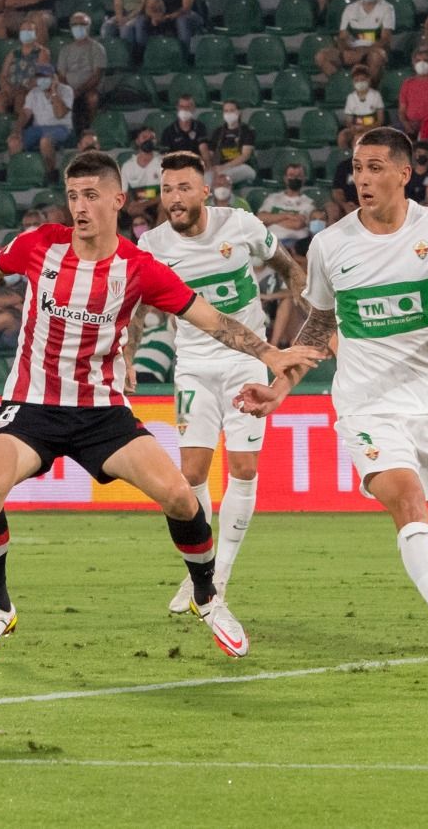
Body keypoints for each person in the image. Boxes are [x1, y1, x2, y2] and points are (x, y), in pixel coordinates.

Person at [0, 151, 318, 663]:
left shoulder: (138, 267)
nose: (79, 207)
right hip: (31, 403)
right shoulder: (41, 245)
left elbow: (211, 319)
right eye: (72, 196)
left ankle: (207, 596)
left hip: (102, 410)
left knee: (179, 494)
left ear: (117, 200)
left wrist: (270, 353)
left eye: (90, 196)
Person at [236, 127, 428, 675]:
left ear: (405, 173)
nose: (363, 179)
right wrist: (279, 388)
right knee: (407, 503)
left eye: (376, 167)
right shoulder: (333, 245)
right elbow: (320, 325)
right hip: (367, 406)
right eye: (357, 168)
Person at [132, 152, 308, 612]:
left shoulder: (242, 225)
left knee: (244, 469)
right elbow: (133, 306)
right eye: (167, 189)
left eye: (184, 188)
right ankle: (200, 574)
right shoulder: (151, 245)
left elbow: (288, 267)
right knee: (190, 475)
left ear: (205, 190)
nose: (174, 197)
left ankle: (220, 576)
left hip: (245, 359)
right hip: (192, 364)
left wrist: (309, 322)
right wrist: (127, 355)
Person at [317, 0, 393, 81]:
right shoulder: (350, 9)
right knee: (322, 56)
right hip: (352, 49)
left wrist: (362, 53)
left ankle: (368, 90)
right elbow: (342, 37)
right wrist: (346, 51)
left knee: (376, 56)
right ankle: (342, 84)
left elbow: (385, 39)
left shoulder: (387, 8)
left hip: (373, 50)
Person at [9, 64, 71, 178]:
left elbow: (60, 114)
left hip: (60, 128)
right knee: (14, 141)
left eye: (45, 76)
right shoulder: (33, 93)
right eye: (39, 76)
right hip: (37, 129)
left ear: (53, 78)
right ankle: (19, 175)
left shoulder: (66, 90)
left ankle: (49, 176)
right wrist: (17, 130)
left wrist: (53, 92)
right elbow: (25, 114)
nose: (42, 80)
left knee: (45, 140)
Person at [0, 17, 49, 117]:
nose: (25, 33)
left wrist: (26, 88)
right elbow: (2, 75)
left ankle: (18, 128)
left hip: (28, 90)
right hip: (11, 89)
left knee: (20, 97)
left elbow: (42, 76)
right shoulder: (13, 53)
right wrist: (7, 88)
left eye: (29, 30)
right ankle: (4, 125)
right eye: (23, 30)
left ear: (36, 33)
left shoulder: (42, 52)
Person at [57, 12, 104, 127]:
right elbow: (61, 76)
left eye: (82, 24)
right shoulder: (65, 50)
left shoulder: (98, 48)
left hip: (89, 89)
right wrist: (69, 91)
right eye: (75, 24)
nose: (78, 27)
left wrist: (79, 91)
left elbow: (97, 76)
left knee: (92, 98)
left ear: (89, 26)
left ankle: (90, 129)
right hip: (68, 89)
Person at [258, 162, 316, 241]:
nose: (295, 178)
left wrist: (271, 220)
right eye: (291, 175)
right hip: (271, 242)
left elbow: (297, 224)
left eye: (298, 176)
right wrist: (287, 216)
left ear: (304, 179)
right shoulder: (273, 198)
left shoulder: (309, 202)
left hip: (296, 244)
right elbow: (260, 218)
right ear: (285, 178)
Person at [207, 100, 256, 186]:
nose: (229, 113)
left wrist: (224, 167)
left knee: (222, 177)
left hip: (244, 167)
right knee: (205, 177)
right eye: (226, 111)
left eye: (232, 110)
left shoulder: (247, 131)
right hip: (222, 167)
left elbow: (245, 156)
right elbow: (210, 153)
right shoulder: (218, 132)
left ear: (239, 112)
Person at [121, 126, 161, 226]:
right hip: (135, 205)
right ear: (137, 141)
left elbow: (167, 193)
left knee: (165, 205)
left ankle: (159, 237)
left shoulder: (163, 163)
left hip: (156, 204)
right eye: (144, 137)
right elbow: (124, 194)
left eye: (152, 138)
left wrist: (143, 205)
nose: (149, 140)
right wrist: (130, 207)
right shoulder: (127, 166)